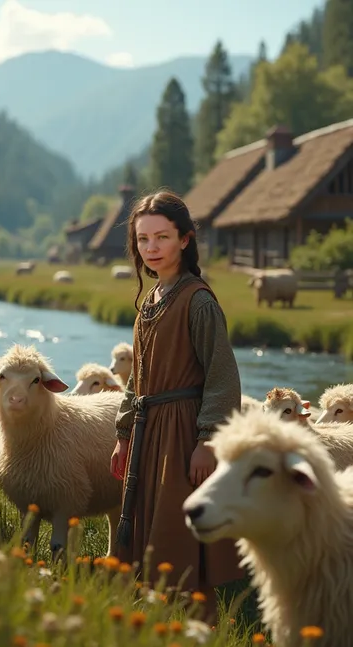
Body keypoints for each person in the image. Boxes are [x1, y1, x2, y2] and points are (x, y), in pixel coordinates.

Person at [110, 190, 246, 618]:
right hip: (150, 432)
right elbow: (138, 381)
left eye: (162, 237)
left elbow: (223, 378)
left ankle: (198, 622)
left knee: (178, 532)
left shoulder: (198, 301)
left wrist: (207, 440)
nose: (151, 248)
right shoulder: (149, 303)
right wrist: (123, 432)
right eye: (143, 239)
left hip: (183, 432)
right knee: (148, 528)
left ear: (185, 240)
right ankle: (154, 615)